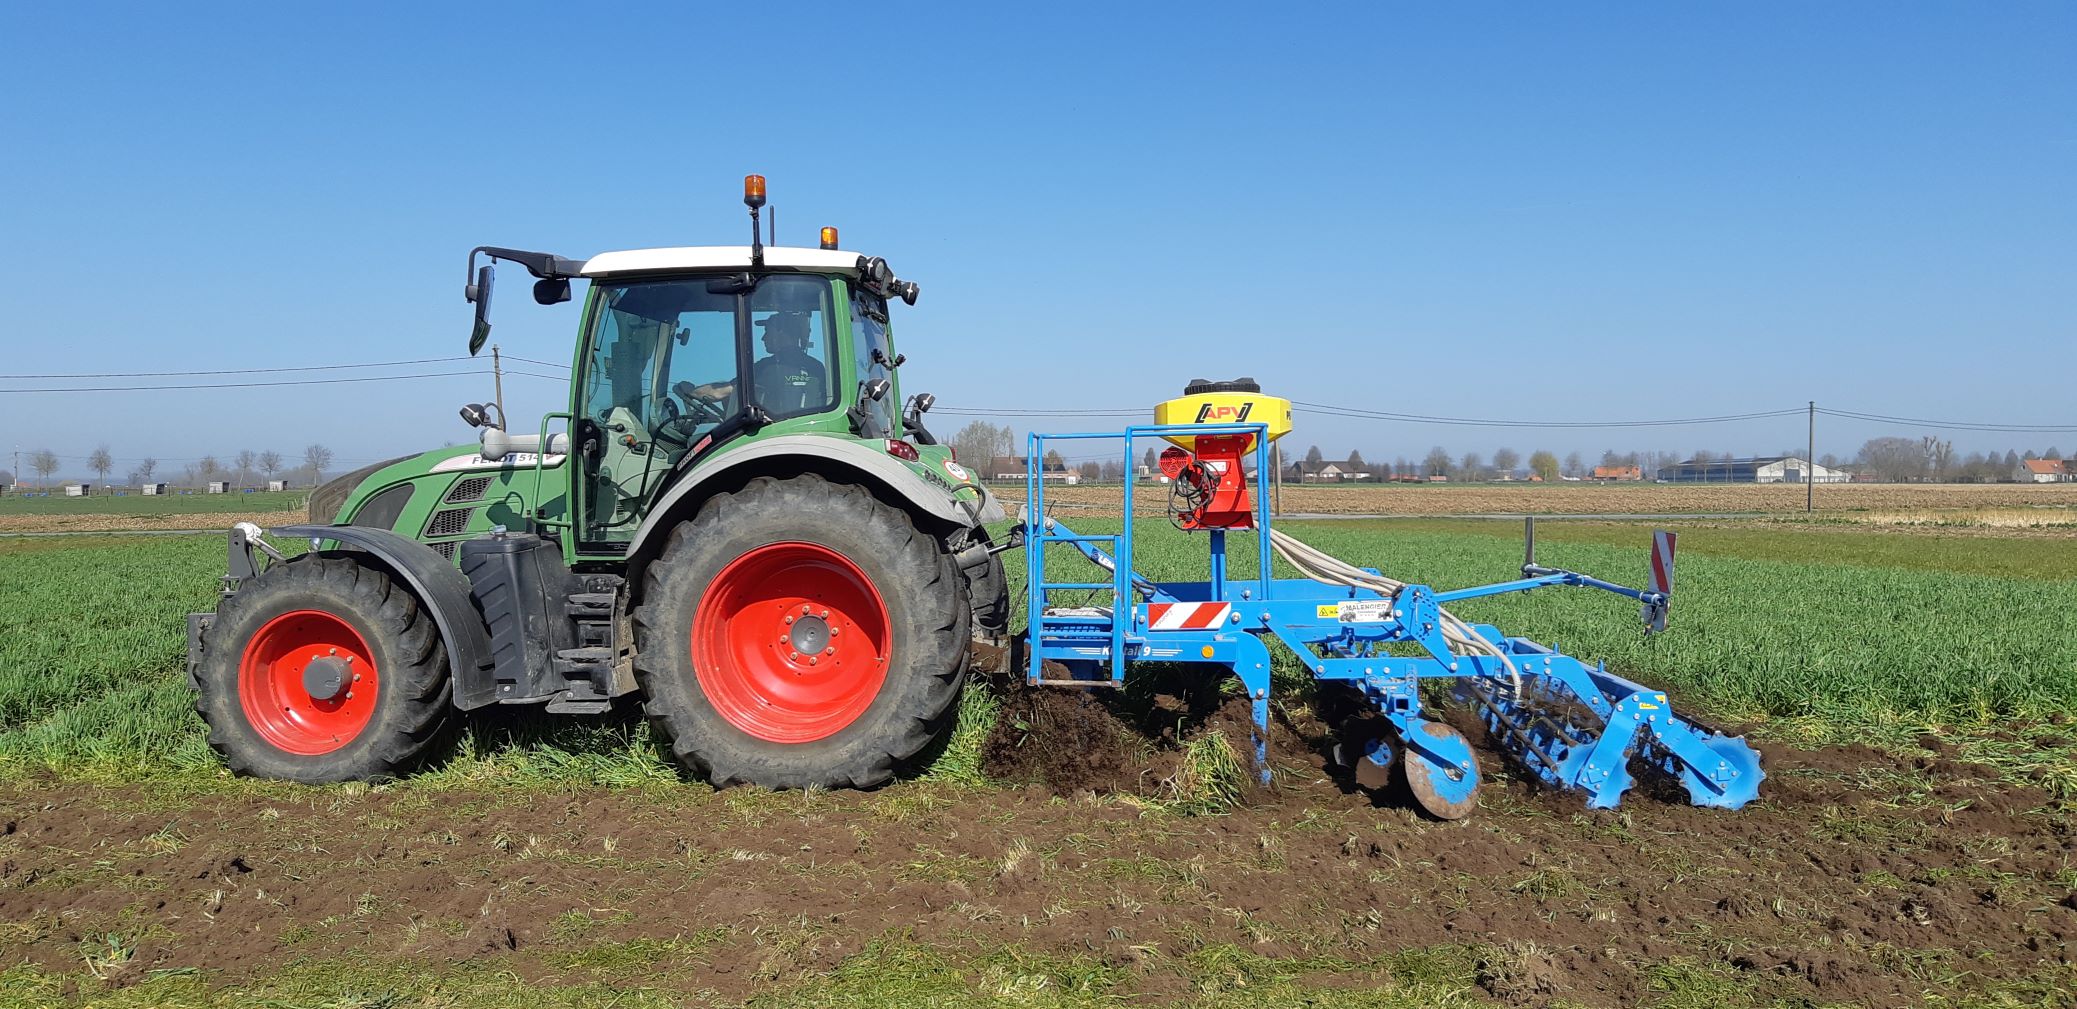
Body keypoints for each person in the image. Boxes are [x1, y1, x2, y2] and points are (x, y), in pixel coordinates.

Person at [681, 312, 827, 415]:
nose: (763, 338)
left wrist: (691, 392)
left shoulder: (767, 368)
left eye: (767, 331)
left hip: (771, 437)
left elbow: (719, 392)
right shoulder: (817, 368)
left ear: (781, 332)